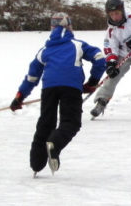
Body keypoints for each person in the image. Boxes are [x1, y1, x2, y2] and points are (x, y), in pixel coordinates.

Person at [10, 13, 106, 177]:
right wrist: (92, 82)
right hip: (71, 88)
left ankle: (36, 163)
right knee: (71, 122)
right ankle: (55, 143)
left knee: (45, 124)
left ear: (52, 28)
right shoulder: (78, 45)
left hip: (49, 89)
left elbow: (32, 78)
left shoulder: (44, 51)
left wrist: (19, 97)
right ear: (69, 27)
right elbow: (100, 58)